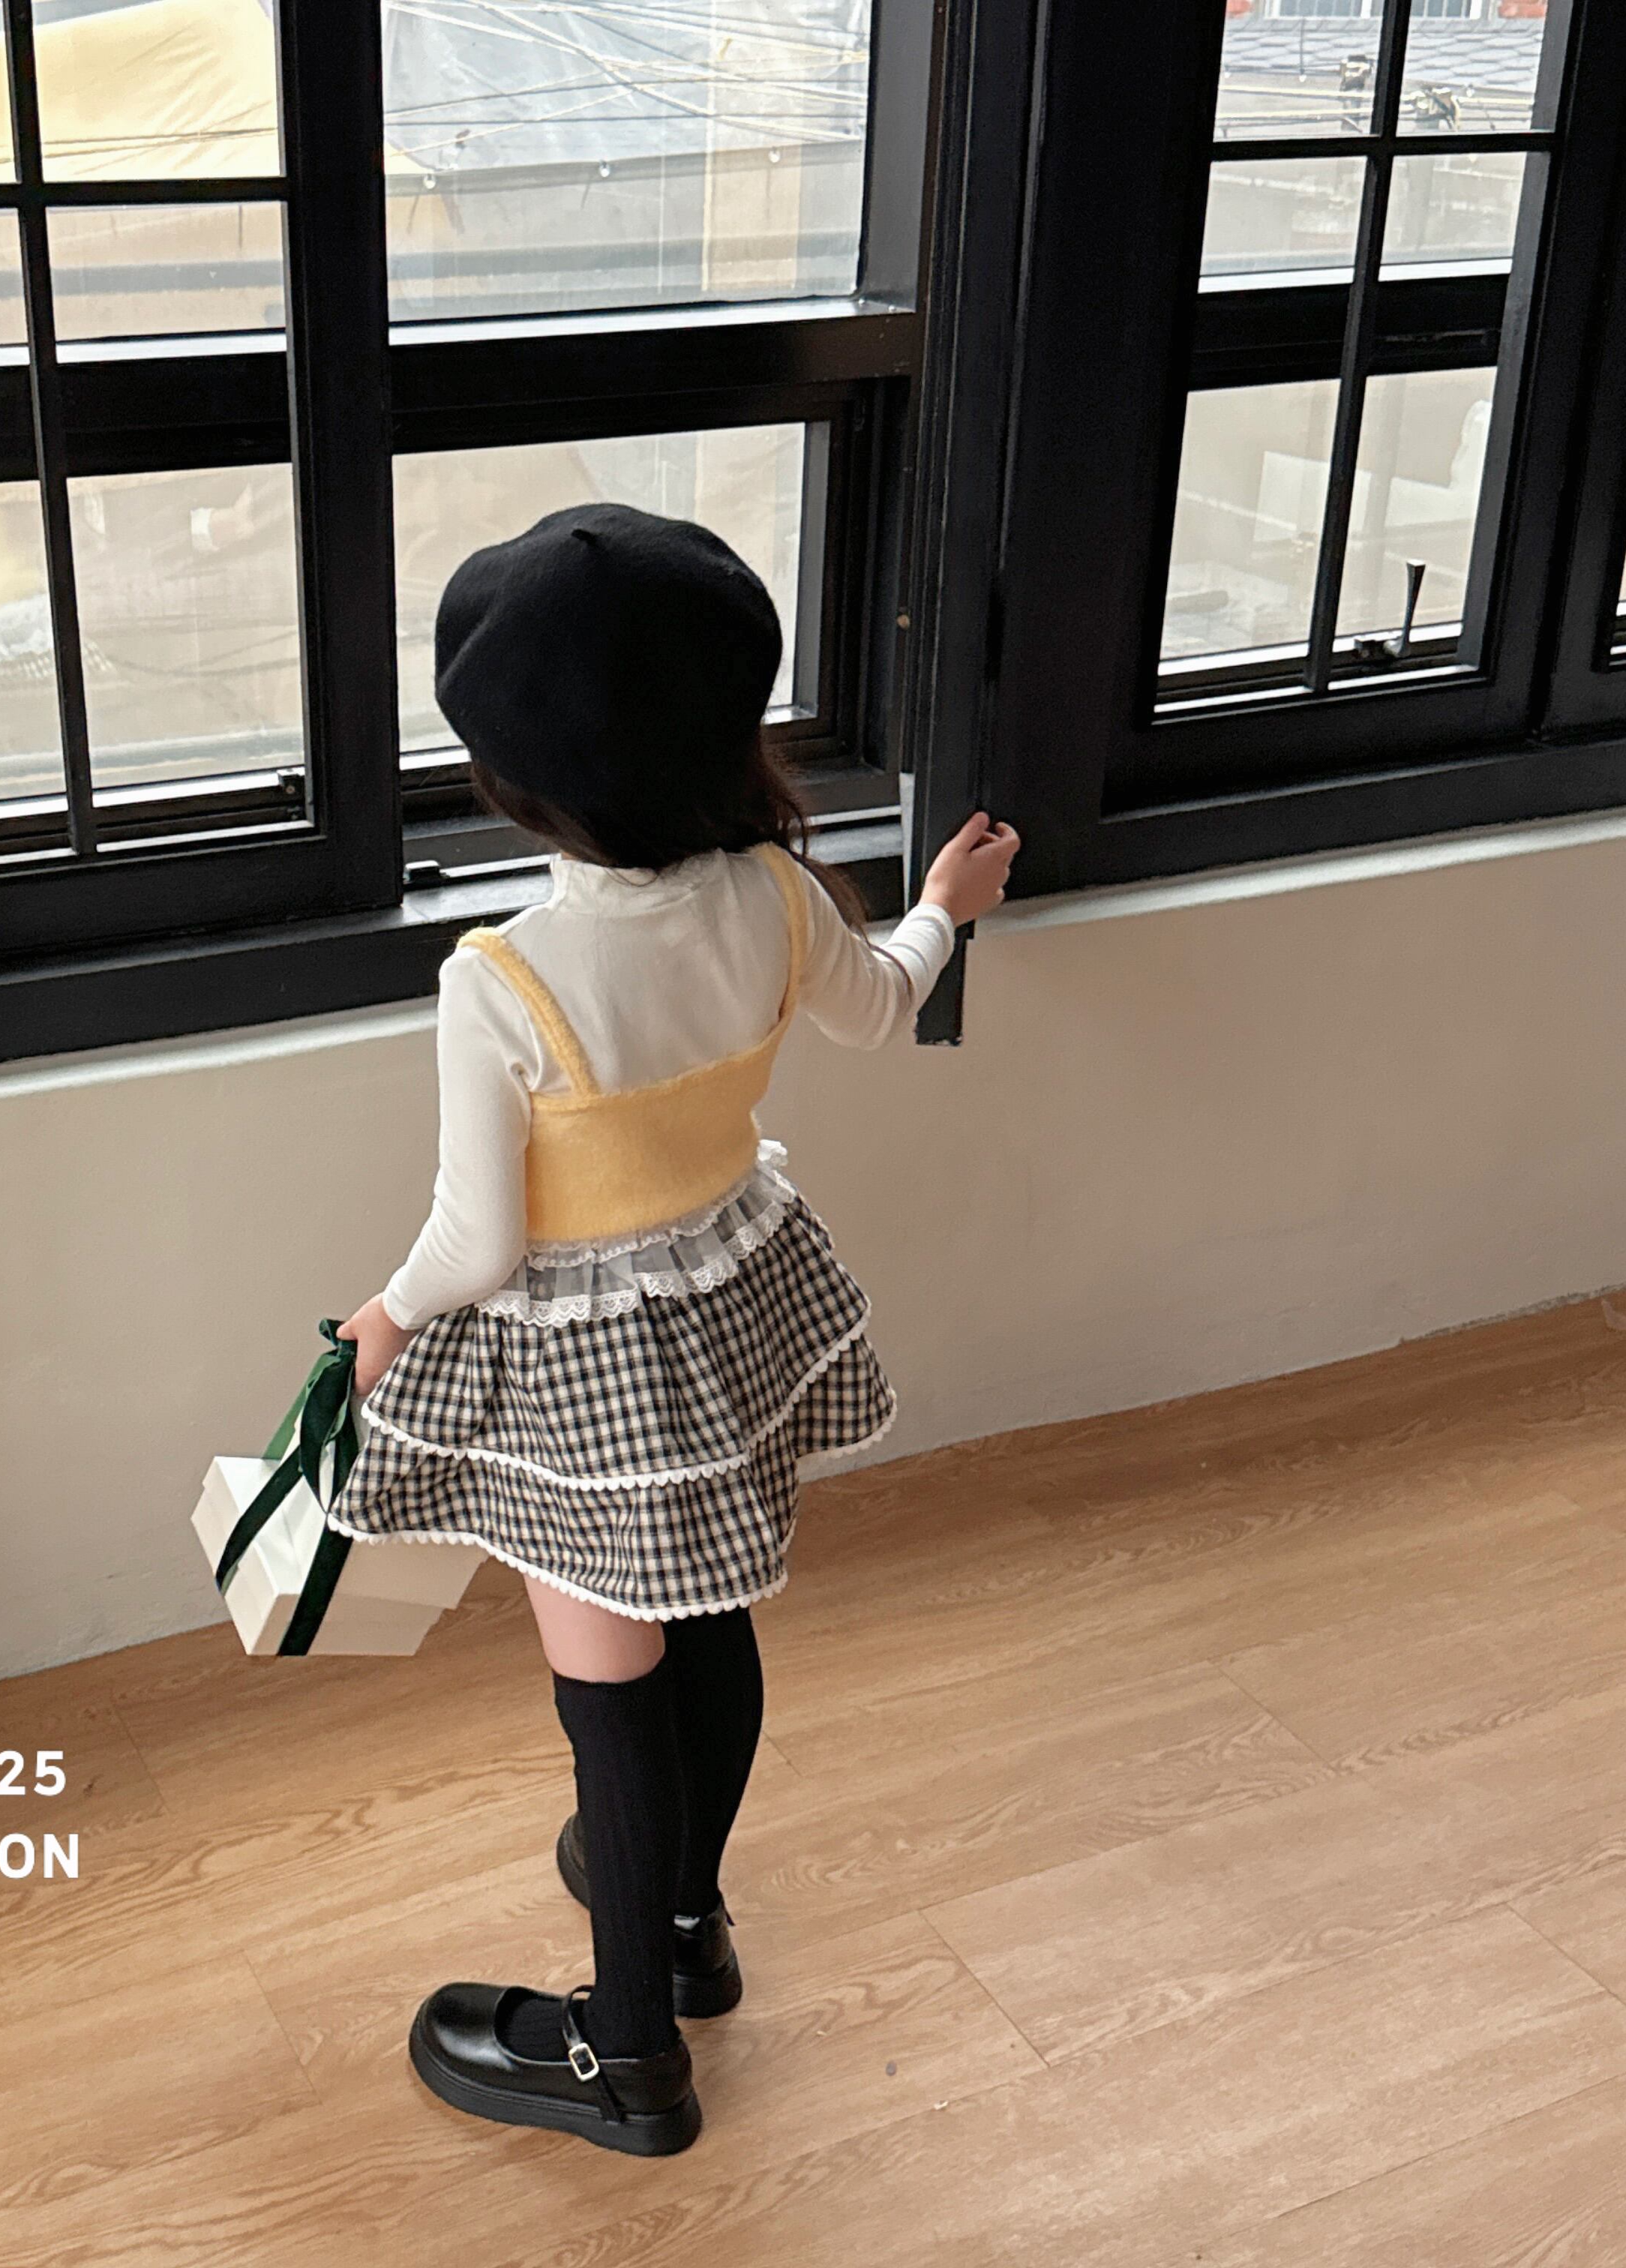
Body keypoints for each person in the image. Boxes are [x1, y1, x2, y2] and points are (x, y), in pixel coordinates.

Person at [328, 502, 1018, 2156]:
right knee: (709, 1617)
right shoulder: (772, 891)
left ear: (515, 779)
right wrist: (945, 904)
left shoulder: (504, 978)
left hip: (581, 1368)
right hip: (724, 1308)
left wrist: (380, 1319)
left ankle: (627, 2054)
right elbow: (887, 1000)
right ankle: (688, 1919)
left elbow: (478, 1242)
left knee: (609, 1691)